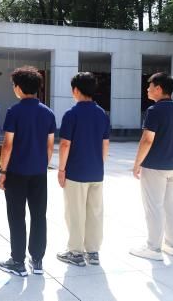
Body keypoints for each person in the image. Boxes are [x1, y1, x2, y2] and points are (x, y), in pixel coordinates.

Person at [0, 66, 56, 277]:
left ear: (19, 88)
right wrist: (42, 164)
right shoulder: (48, 113)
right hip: (39, 172)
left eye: (14, 85)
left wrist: (3, 171)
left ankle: (17, 261)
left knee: (17, 216)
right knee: (39, 215)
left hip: (16, 172)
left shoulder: (14, 112)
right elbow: (50, 145)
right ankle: (37, 260)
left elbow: (8, 145)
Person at [130, 72, 173, 261]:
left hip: (155, 166)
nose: (147, 89)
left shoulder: (154, 111)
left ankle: (153, 248)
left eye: (150, 86)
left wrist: (137, 163)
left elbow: (147, 140)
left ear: (159, 88)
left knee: (154, 207)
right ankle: (172, 245)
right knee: (170, 204)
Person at [56, 72, 110, 267]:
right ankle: (93, 252)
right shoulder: (102, 114)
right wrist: (99, 164)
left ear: (76, 90)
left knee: (75, 212)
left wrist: (61, 169)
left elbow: (65, 144)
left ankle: (76, 252)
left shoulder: (71, 114)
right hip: (96, 171)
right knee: (95, 212)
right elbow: (105, 144)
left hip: (76, 172)